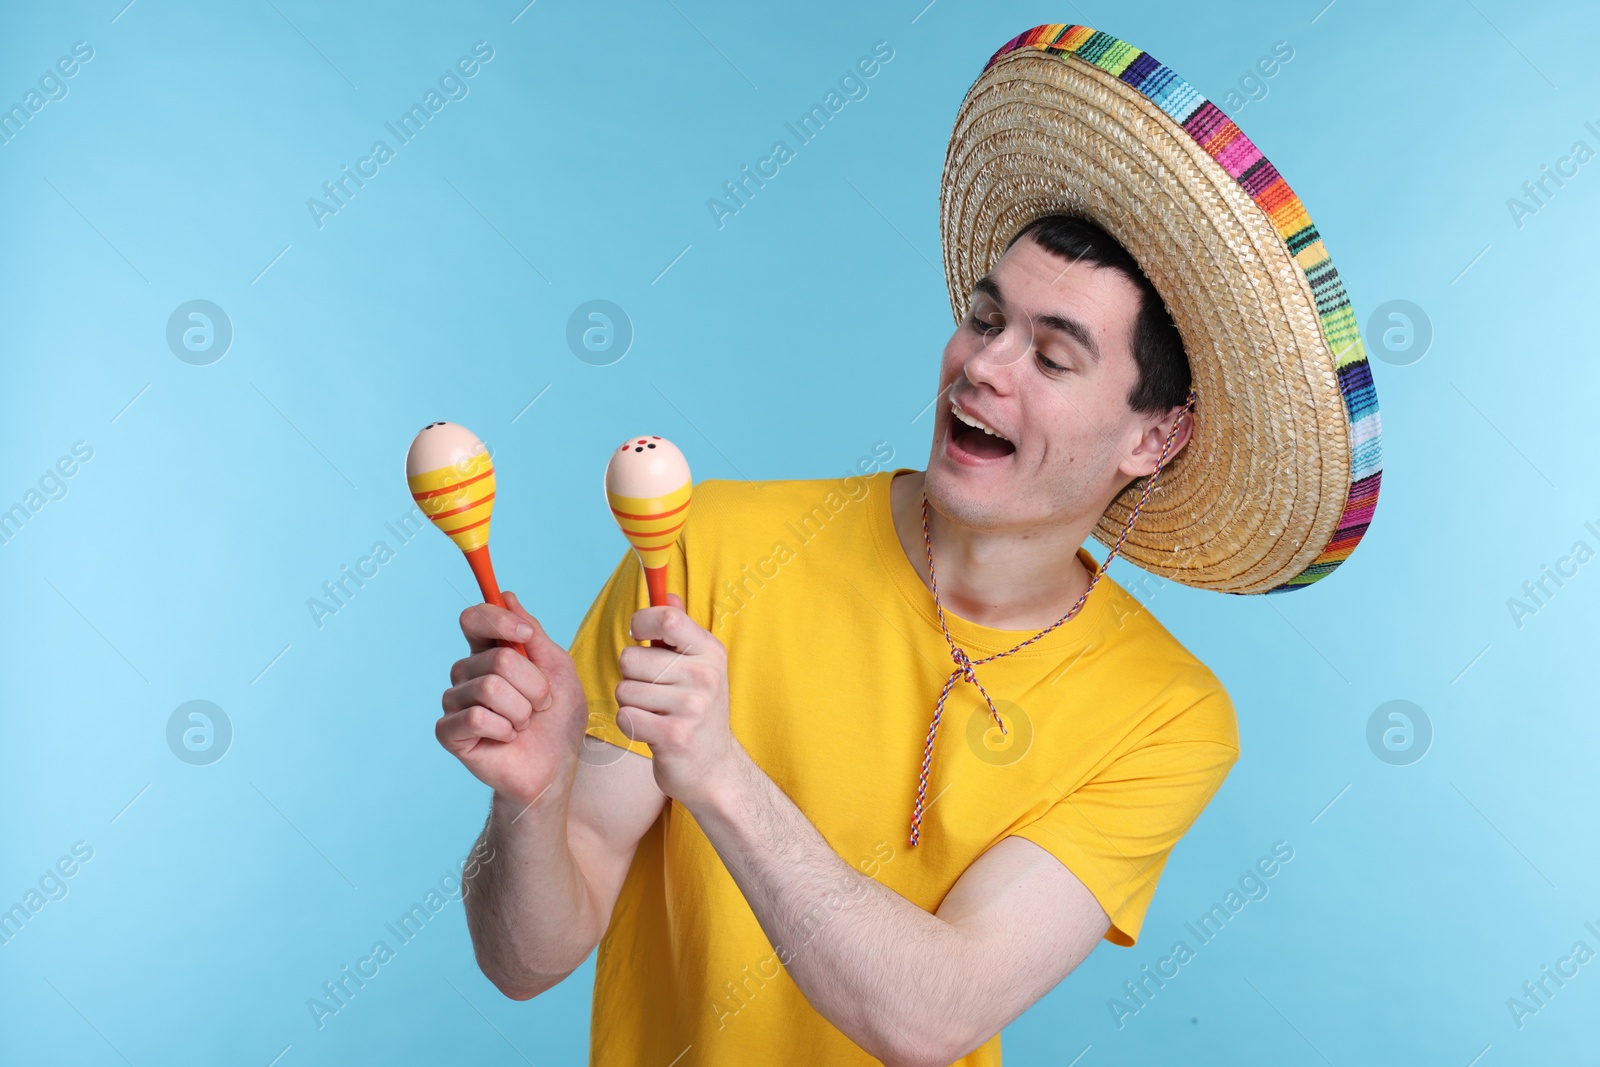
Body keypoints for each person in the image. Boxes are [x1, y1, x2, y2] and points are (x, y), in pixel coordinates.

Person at [434, 23, 1381, 1067]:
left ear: (1154, 435)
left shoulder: (1167, 715)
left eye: (1052, 356)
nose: (982, 367)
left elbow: (935, 1013)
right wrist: (528, 802)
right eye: (985, 320)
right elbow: (526, 959)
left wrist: (719, 773)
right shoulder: (700, 548)